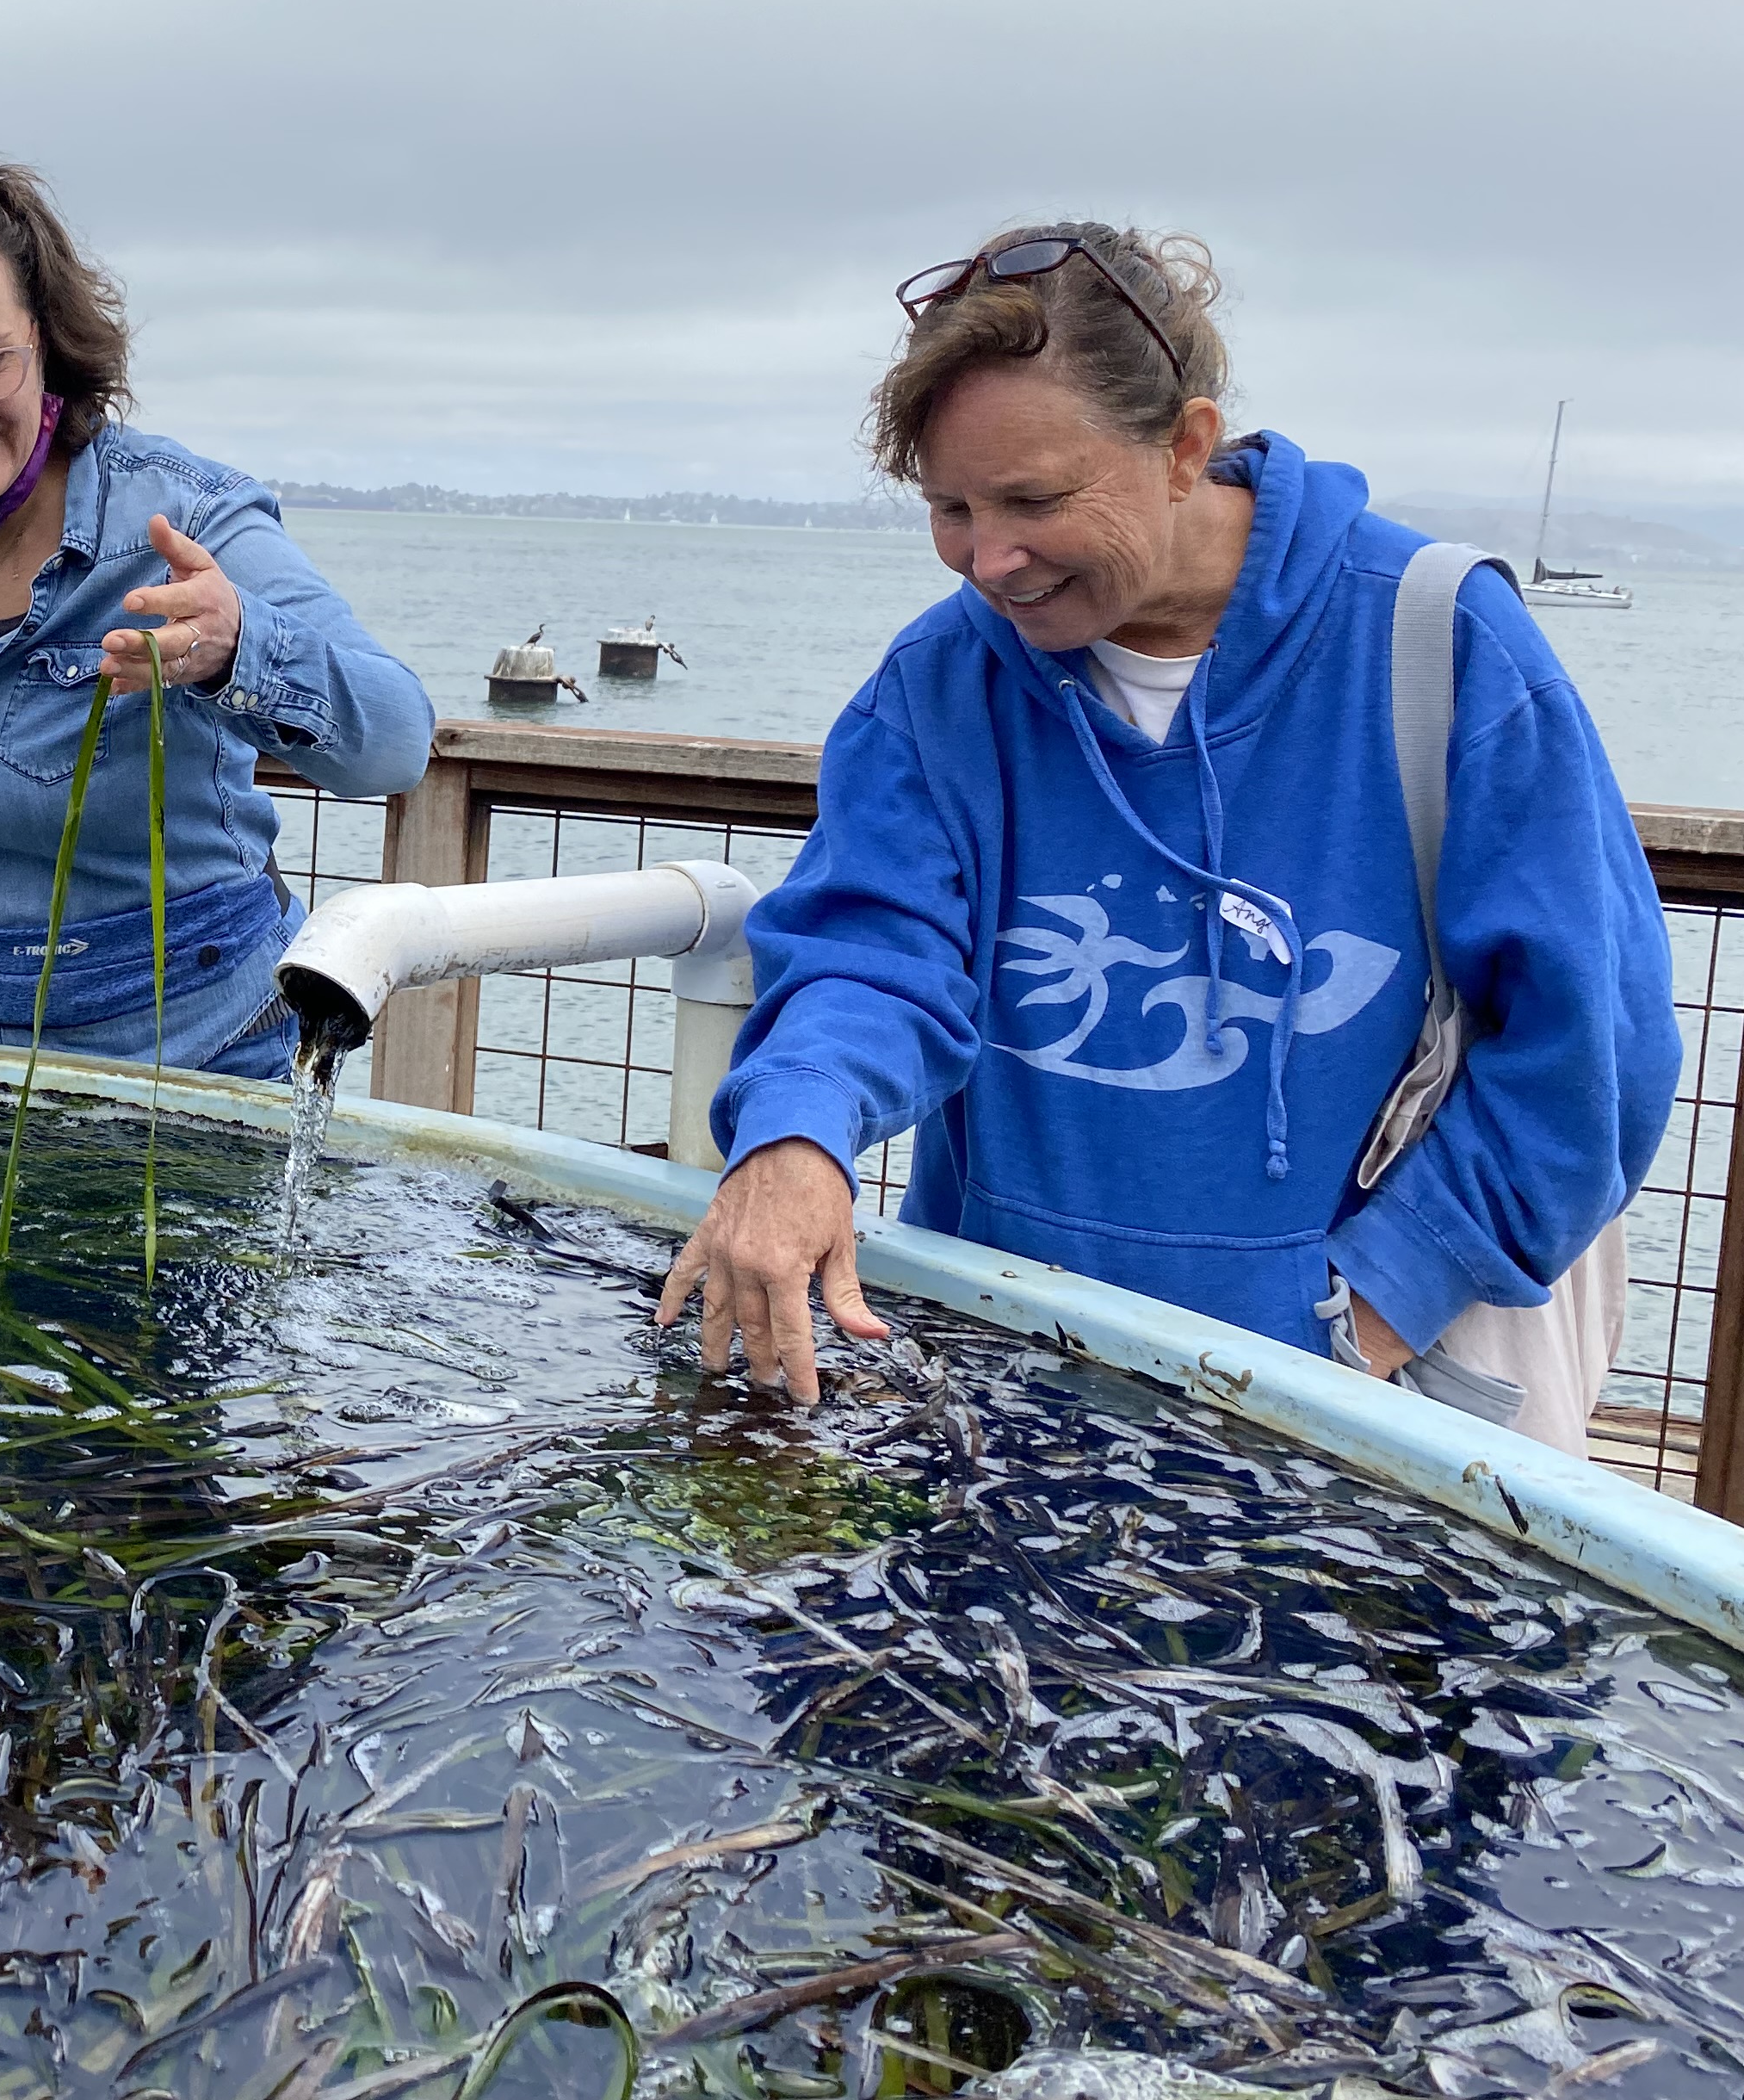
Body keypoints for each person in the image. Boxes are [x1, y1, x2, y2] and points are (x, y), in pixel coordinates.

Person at [665, 221, 1674, 1447]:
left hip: (1343, 1410)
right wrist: (798, 1129)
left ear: (1187, 446)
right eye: (950, 509)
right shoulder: (939, 686)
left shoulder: (1441, 647)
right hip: (1007, 1388)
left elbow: (1589, 1050)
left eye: (1034, 499)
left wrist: (1369, 1321)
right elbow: (870, 953)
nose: (989, 561)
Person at [0, 158, 433, 1078]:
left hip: (201, 1057)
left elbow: (395, 742)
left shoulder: (186, 516)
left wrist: (241, 646)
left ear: (44, 339)